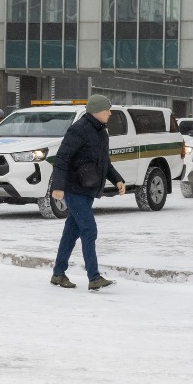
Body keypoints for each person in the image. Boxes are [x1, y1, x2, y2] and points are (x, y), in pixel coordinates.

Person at [48, 95, 124, 291]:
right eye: (108, 110)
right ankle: (94, 277)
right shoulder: (79, 129)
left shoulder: (101, 131)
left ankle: (58, 274)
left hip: (87, 190)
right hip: (74, 189)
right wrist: (58, 187)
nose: (110, 113)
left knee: (71, 232)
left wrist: (117, 179)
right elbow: (62, 158)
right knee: (89, 229)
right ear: (98, 111)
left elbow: (104, 162)